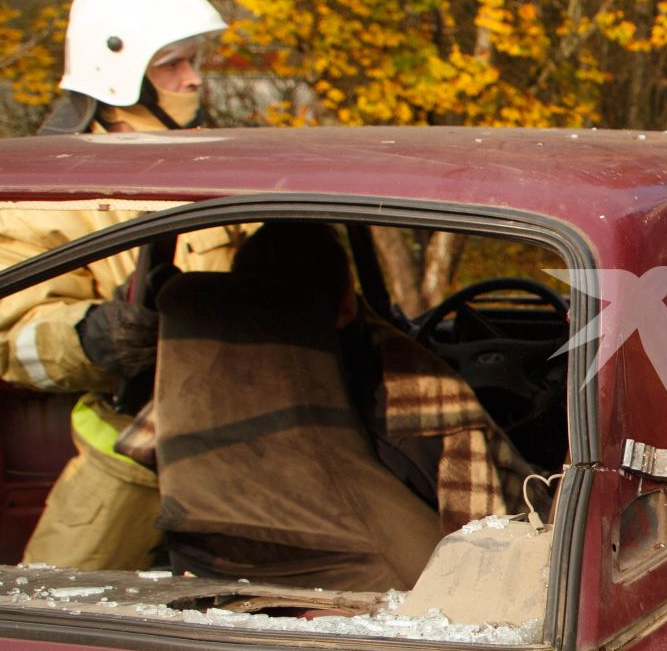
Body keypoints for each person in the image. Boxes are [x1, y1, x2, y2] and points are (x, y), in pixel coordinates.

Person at [0, 0, 243, 572]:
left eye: (193, 62)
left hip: (253, 420)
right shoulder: (47, 194)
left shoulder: (232, 174)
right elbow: (17, 341)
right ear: (121, 73)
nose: (192, 80)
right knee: (56, 615)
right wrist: (91, 334)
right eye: (172, 65)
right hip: (130, 439)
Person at [152, 222, 533, 590]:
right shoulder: (432, 398)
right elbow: (486, 550)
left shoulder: (191, 384)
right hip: (391, 607)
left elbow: (139, 462)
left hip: (211, 590)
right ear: (348, 305)